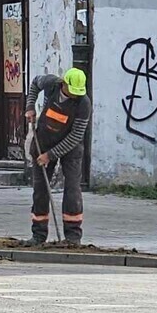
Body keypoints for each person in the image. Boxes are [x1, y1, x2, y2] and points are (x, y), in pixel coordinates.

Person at [24, 68, 91, 246]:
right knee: (40, 190)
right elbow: (34, 85)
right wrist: (30, 106)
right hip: (44, 140)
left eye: (78, 93)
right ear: (64, 84)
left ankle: (72, 237)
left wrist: (51, 155)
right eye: (72, 92)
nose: (75, 96)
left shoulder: (83, 104)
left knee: (72, 189)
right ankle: (38, 236)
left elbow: (76, 136)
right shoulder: (50, 83)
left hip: (71, 148)